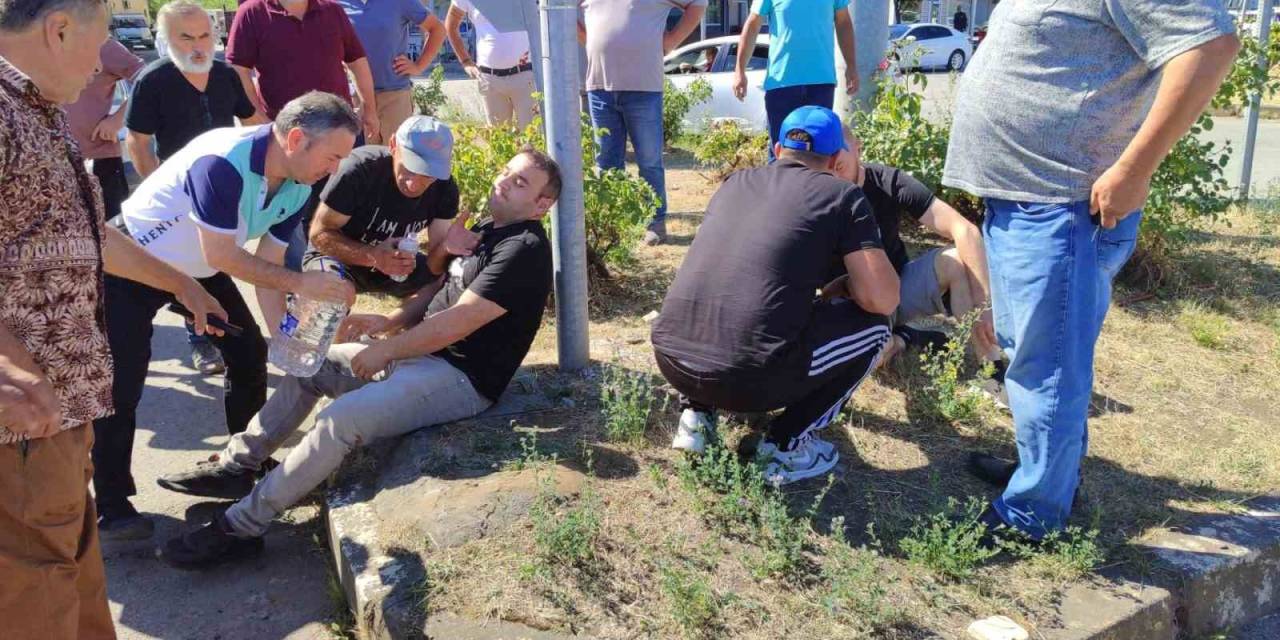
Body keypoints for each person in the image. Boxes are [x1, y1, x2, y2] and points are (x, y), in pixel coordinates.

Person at [155, 148, 563, 568]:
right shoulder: (488, 231)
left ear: (542, 204)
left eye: (520, 183)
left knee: (341, 421)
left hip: (459, 377)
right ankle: (238, 465)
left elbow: (459, 321)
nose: (504, 181)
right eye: (506, 171)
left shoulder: (525, 247)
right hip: (420, 354)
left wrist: (385, 350)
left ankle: (240, 527)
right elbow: (438, 291)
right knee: (310, 364)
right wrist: (390, 323)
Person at [942, 0, 1239, 540]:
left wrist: (1135, 168)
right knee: (1031, 351)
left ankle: (1034, 513)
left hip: (1061, 208)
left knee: (1048, 364)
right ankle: (1046, 476)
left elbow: (1212, 45)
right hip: (1020, 201)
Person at [0, 0, 224, 634]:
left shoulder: (42, 115)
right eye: (101, 47)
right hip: (17, 425)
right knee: (31, 596)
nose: (109, 68)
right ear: (59, 29)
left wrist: (183, 285)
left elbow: (94, 235)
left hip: (61, 414)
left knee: (72, 579)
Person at [92, 92, 360, 540]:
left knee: (249, 351)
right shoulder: (222, 161)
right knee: (122, 384)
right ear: (296, 139)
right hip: (133, 264)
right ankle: (113, 504)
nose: (334, 169)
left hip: (200, 271)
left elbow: (267, 265)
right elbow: (223, 253)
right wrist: (303, 285)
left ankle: (241, 463)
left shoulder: (299, 182)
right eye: (333, 157)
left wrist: (283, 340)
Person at [651, 106, 899, 486]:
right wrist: (846, 286)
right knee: (876, 328)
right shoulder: (843, 196)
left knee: (731, 297)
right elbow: (882, 300)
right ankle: (786, 447)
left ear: (777, 148)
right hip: (749, 379)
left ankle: (696, 418)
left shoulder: (736, 182)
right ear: (836, 160)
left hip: (672, 360)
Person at [127, 0, 259, 376]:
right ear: (166, 39)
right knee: (185, 268)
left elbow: (252, 122)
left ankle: (223, 335)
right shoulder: (153, 80)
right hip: (176, 196)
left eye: (204, 35)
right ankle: (200, 339)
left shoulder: (225, 76)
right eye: (186, 37)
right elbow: (138, 141)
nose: (197, 45)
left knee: (212, 262)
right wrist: (157, 189)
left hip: (221, 191)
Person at [831, 127, 998, 367]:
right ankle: (906, 337)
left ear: (858, 149)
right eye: (828, 167)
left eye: (840, 167)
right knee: (870, 356)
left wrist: (985, 307)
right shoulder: (820, 193)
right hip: (851, 300)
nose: (835, 178)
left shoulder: (888, 182)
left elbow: (965, 230)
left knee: (957, 261)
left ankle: (992, 368)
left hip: (896, 288)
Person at [579, 0, 707, 246]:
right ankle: (612, 226)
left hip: (643, 89)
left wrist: (670, 42)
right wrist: (590, 40)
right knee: (606, 163)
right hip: (599, 88)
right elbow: (559, 13)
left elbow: (698, 5)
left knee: (649, 161)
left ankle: (655, 222)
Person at [305, 115, 461, 299]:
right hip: (340, 257)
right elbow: (319, 235)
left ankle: (403, 326)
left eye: (428, 175)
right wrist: (373, 256)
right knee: (331, 296)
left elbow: (434, 266)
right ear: (393, 145)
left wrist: (448, 248)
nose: (414, 185)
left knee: (452, 282)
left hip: (394, 264)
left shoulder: (444, 188)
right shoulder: (359, 171)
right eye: (410, 168)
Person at [226, 0, 378, 138]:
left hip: (339, 128)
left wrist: (370, 110)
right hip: (286, 134)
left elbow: (357, 61)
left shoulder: (332, 10)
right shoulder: (252, 13)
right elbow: (239, 70)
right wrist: (260, 122)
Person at [733, 0, 857, 162]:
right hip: (782, 82)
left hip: (821, 82)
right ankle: (777, 187)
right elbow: (753, 24)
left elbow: (844, 23)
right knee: (781, 152)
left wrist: (852, 65)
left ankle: (815, 187)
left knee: (820, 152)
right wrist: (739, 70)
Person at [336, 0, 446, 144]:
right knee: (360, 161)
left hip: (394, 96)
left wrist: (419, 65)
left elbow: (437, 29)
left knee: (395, 158)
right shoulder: (336, 4)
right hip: (356, 98)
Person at [64, 38, 144, 221]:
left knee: (109, 232)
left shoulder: (102, 44)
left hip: (99, 158)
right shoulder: (32, 42)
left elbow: (149, 81)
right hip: (50, 158)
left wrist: (119, 118)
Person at [446, 0, 536, 128]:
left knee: (533, 139)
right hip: (490, 79)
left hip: (525, 74)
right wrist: (466, 62)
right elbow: (451, 25)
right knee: (499, 140)